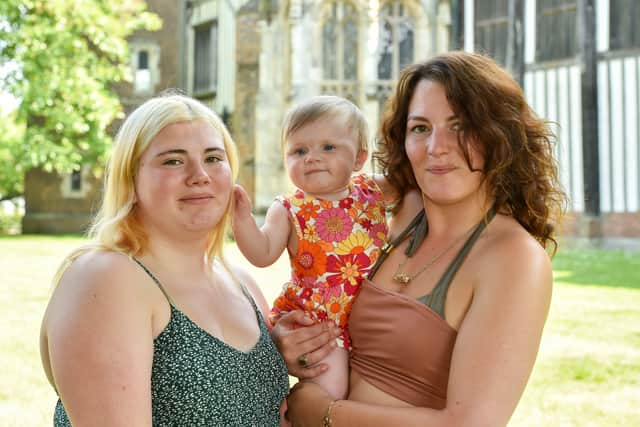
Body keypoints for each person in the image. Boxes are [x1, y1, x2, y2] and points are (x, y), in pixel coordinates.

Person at [272, 51, 567, 426]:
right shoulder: (393, 217)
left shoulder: (513, 258)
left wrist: (325, 413)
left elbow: (470, 423)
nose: (436, 147)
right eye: (420, 128)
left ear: (499, 136)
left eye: (459, 126)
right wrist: (293, 342)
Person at [39, 93, 290, 426]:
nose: (200, 174)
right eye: (173, 160)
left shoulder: (243, 284)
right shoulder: (106, 278)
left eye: (214, 158)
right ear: (130, 181)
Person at [233, 95, 407, 399]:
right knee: (331, 387)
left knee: (377, 390)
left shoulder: (372, 189)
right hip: (320, 324)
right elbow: (262, 253)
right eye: (299, 150)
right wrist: (242, 220)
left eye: (328, 147)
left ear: (358, 158)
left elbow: (412, 181)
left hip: (372, 318)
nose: (311, 157)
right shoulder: (288, 208)